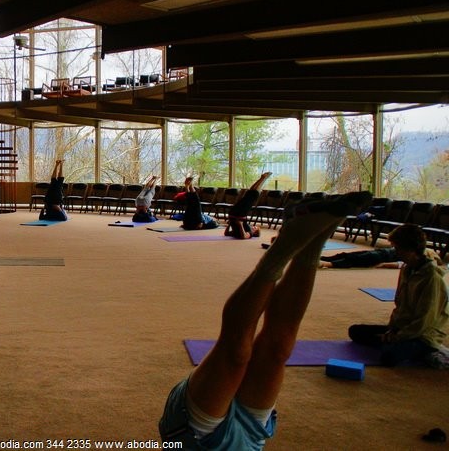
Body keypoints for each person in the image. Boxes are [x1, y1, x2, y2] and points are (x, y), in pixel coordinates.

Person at [159, 191, 373, 448]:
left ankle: (285, 244)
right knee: (279, 348)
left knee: (235, 350)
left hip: (194, 437)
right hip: (251, 436)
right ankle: (315, 240)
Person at [348, 224, 449, 368]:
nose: (396, 252)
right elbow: (400, 305)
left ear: (411, 249)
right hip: (401, 328)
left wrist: (396, 337)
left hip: (423, 336)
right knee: (355, 331)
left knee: (389, 357)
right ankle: (391, 342)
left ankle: (427, 351)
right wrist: (392, 330)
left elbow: (423, 322)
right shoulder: (407, 269)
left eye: (398, 248)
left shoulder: (431, 279)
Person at [224, 172, 272, 239]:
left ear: (255, 232)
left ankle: (263, 178)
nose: (254, 226)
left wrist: (238, 225)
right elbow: (227, 234)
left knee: (253, 195)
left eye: (255, 228)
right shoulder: (246, 231)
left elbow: (243, 236)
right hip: (234, 215)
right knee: (249, 195)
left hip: (238, 216)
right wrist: (232, 223)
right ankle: (262, 178)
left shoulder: (251, 233)